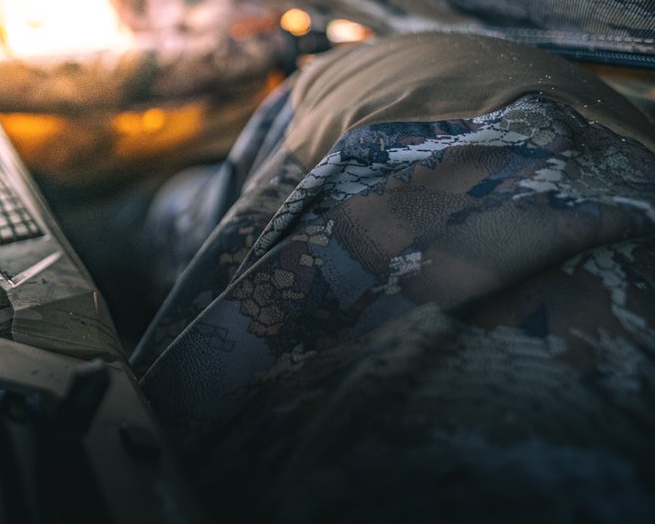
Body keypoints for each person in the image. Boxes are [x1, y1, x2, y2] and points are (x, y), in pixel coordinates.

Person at [132, 32, 655, 523]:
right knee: (181, 222)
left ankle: (146, 214)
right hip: (433, 98)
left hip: (451, 99)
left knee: (180, 219)